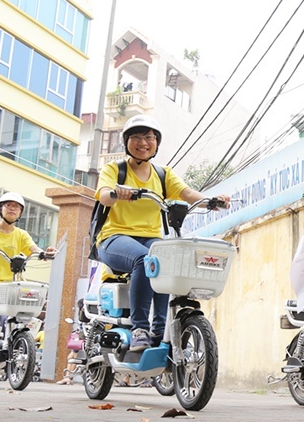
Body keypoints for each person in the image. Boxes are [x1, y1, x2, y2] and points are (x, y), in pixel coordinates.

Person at [94, 114, 229, 352]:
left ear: (156, 143)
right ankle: (139, 329)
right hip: (113, 238)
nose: (143, 142)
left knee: (169, 261)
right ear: (126, 142)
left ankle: (159, 330)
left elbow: (187, 193)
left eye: (149, 137)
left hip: (150, 238)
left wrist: (212, 201)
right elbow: (104, 194)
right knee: (144, 260)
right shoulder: (115, 169)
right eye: (136, 137)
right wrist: (118, 192)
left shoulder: (163, 174)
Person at [0, 192, 56, 352]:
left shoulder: (21, 235)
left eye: (16, 207)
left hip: (8, 284)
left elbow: (34, 249)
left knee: (28, 293)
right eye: (8, 205)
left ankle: (15, 335)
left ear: (20, 213)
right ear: (0, 209)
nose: (12, 208)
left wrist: (45, 253)